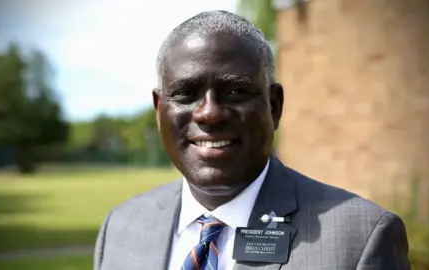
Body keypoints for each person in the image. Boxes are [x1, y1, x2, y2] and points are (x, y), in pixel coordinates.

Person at [94, 10, 410, 270]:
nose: (209, 114)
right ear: (159, 109)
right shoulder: (121, 228)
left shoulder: (361, 238)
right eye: (186, 94)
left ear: (274, 106)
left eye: (235, 91)